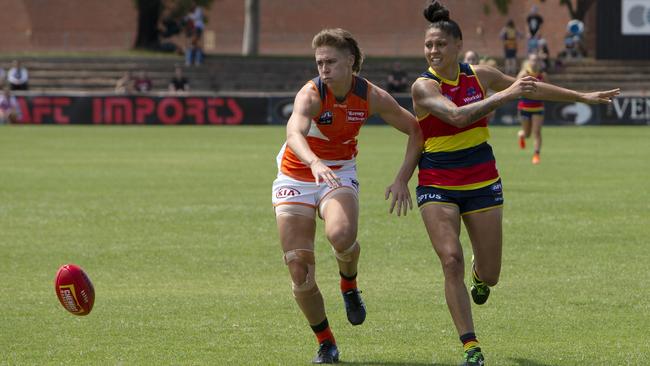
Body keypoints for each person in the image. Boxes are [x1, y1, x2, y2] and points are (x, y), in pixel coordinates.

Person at [412, 2, 619, 365]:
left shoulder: (481, 74)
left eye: (440, 45)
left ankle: (479, 277)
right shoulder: (422, 86)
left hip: (481, 177)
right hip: (437, 180)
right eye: (429, 45)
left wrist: (581, 96)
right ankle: (471, 347)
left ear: (457, 45)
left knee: (490, 275)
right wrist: (506, 95)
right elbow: (457, 117)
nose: (433, 51)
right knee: (450, 260)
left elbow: (531, 88)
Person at [272, 28, 423, 364]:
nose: (323, 68)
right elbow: (293, 132)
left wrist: (402, 178)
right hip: (297, 173)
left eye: (330, 61)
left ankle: (349, 284)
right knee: (298, 265)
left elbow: (415, 129)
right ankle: (326, 342)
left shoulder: (370, 95)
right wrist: (312, 162)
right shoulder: (311, 94)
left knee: (341, 236)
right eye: (319, 62)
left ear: (351, 62)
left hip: (338, 171)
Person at [517, 53, 548, 164]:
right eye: (532, 60)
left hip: (538, 107)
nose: (534, 62)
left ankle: (536, 154)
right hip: (524, 107)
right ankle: (521, 135)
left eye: (536, 60)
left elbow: (548, 88)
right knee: (527, 134)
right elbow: (515, 87)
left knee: (537, 132)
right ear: (529, 62)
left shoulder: (542, 75)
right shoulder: (524, 73)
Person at [184, 1, 205, 66]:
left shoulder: (199, 10)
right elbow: (186, 19)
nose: (192, 5)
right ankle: (191, 61)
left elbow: (196, 17)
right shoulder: (191, 11)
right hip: (192, 28)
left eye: (193, 3)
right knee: (192, 44)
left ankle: (196, 61)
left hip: (197, 28)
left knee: (194, 44)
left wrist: (188, 16)